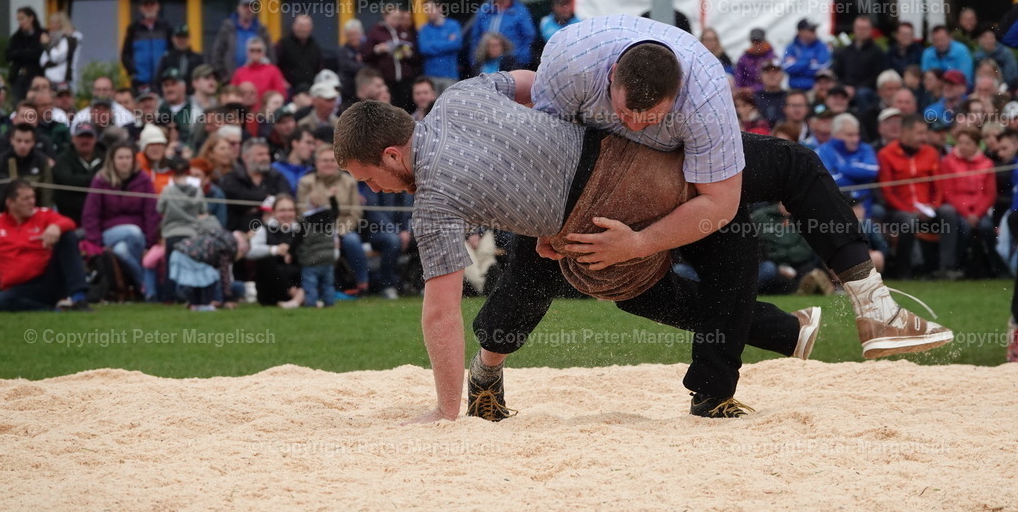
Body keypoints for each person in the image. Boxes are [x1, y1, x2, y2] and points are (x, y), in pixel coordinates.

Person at [334, 81, 820, 421]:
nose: (378, 190)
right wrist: (542, 156)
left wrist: (445, 410)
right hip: (616, 158)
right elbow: (541, 84)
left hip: (599, 199)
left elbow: (441, 314)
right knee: (759, 176)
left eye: (369, 179)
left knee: (631, 284)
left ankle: (820, 313)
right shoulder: (460, 95)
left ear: (392, 155)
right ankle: (802, 322)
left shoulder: (434, 198)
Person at [525, 15, 951, 360]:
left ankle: (872, 307)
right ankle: (488, 361)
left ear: (679, 95)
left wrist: (639, 243)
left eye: (650, 116)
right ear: (612, 75)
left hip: (678, 163)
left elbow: (720, 202)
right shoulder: (567, 59)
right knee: (622, 282)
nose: (635, 125)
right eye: (625, 112)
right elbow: (550, 152)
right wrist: (548, 227)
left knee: (779, 185)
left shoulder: (706, 88)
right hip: (607, 177)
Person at [877, 114, 959, 279]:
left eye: (925, 133)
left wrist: (933, 206)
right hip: (900, 210)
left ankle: (946, 267)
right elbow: (887, 192)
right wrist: (910, 209)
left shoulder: (931, 153)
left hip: (928, 207)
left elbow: (938, 185)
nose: (923, 138)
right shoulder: (886, 154)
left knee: (949, 212)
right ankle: (905, 271)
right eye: (919, 133)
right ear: (905, 132)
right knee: (909, 221)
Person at [0, 180, 90, 311]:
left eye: (33, 197)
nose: (32, 202)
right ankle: (56, 311)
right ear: (10, 202)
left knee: (68, 236)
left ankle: (79, 298)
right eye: (26, 198)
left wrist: (56, 226)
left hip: (48, 280)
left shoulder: (42, 214)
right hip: (18, 288)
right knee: (0, 302)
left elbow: (69, 222)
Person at [82, 143, 159, 291]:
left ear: (133, 160)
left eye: (128, 157)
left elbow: (151, 214)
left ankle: (140, 288)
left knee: (121, 250)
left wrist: (149, 244)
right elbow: (90, 214)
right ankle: (146, 285)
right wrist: (97, 243)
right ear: (112, 160)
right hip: (108, 233)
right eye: (120, 158)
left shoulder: (144, 180)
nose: (124, 161)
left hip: (140, 237)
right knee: (132, 231)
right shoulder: (100, 180)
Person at [297, 143, 365, 296]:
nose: (328, 164)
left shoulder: (349, 182)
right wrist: (327, 234)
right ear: (316, 163)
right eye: (324, 160)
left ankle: (363, 283)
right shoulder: (306, 183)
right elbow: (302, 213)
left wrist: (340, 232)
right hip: (316, 231)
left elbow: (355, 213)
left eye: (332, 160)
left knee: (353, 241)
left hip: (344, 229)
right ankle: (316, 288)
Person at [940, 127, 996, 275]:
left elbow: (990, 194)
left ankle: (994, 267)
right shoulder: (948, 162)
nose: (963, 146)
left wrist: (976, 214)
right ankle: (959, 267)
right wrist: (966, 213)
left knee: (987, 228)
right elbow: (948, 192)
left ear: (977, 145)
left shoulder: (987, 164)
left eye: (968, 143)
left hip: (979, 210)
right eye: (961, 143)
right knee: (963, 228)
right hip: (959, 209)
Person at [169, 215, 247, 310]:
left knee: (199, 281)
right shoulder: (229, 246)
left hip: (180, 252)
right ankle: (204, 305)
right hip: (191, 258)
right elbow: (224, 274)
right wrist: (228, 299)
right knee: (209, 278)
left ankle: (196, 304)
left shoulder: (221, 237)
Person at [219, 137, 292, 231]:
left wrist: (255, 206)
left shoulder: (276, 176)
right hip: (239, 231)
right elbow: (238, 197)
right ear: (246, 157)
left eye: (267, 154)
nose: (265, 158)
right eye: (260, 154)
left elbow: (285, 197)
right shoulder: (233, 178)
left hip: (273, 230)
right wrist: (267, 200)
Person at [245, 193, 303, 307]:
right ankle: (296, 295)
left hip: (297, 279)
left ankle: (299, 296)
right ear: (274, 212)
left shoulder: (302, 230)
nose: (287, 214)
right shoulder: (263, 230)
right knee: (265, 259)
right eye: (282, 210)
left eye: (291, 210)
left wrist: (293, 253)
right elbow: (249, 251)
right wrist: (274, 250)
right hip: (271, 290)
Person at [817, 114, 879, 218]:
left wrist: (841, 168)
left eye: (857, 134)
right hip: (836, 210)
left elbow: (872, 170)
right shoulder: (823, 151)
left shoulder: (865, 148)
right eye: (850, 135)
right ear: (836, 134)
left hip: (866, 207)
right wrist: (860, 178)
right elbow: (829, 181)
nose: (855, 139)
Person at [470, 0, 536, 70]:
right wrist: (476, 60)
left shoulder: (520, 11)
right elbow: (475, 37)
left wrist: (519, 59)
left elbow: (529, 37)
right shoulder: (484, 10)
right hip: (487, 64)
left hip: (511, 63)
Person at [363, 5, 422, 110]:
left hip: (405, 79)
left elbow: (416, 56)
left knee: (406, 108)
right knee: (389, 108)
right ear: (385, 16)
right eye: (394, 18)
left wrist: (408, 54)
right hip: (386, 79)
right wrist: (378, 49)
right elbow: (365, 55)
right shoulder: (375, 31)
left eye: (399, 18)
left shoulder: (405, 32)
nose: (397, 21)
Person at [211, 0, 275, 84]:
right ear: (238, 8)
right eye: (245, 6)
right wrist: (223, 76)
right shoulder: (227, 28)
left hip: (257, 81)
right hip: (231, 79)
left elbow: (270, 55)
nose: (248, 9)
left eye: (252, 6)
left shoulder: (261, 30)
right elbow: (217, 53)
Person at [52, 122, 105, 224]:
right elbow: (67, 180)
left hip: (101, 216)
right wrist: (97, 180)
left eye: (89, 137)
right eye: (81, 136)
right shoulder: (63, 159)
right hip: (69, 216)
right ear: (73, 139)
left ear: (96, 139)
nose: (85, 140)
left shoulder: (106, 158)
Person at [0, 123, 54, 209]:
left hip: (33, 211)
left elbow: (47, 195)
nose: (22, 145)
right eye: (19, 141)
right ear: (12, 140)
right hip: (4, 211)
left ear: (33, 142)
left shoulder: (41, 162)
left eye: (27, 141)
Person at [831, 16, 885, 107]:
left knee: (862, 94)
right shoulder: (845, 51)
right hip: (845, 87)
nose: (861, 31)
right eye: (859, 28)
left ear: (871, 30)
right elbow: (837, 72)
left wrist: (855, 89)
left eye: (864, 28)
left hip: (866, 90)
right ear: (854, 29)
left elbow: (876, 76)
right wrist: (843, 87)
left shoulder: (877, 52)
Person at [121, 0, 172, 90]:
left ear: (157, 6)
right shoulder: (134, 28)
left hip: (162, 80)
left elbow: (172, 51)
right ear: (141, 8)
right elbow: (125, 54)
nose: (149, 7)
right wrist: (133, 72)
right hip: (140, 81)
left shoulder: (166, 27)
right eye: (146, 5)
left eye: (152, 4)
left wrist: (168, 70)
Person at [418, 0, 463, 93]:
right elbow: (424, 49)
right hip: (431, 77)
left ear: (440, 8)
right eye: (426, 10)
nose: (427, 13)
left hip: (450, 75)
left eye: (430, 9)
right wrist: (447, 42)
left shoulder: (453, 25)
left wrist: (433, 44)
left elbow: (456, 44)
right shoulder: (424, 29)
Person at [231, 37, 287, 113]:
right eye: (252, 50)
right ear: (247, 52)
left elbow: (281, 93)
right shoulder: (239, 72)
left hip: (267, 113)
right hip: (245, 112)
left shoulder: (273, 70)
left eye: (258, 50)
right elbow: (233, 94)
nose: (255, 52)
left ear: (264, 52)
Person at [275, 15, 323, 92]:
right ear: (294, 26)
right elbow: (275, 65)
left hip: (311, 90)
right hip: (289, 90)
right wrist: (282, 81)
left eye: (306, 26)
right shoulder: (283, 44)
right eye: (301, 26)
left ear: (311, 28)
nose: (303, 29)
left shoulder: (315, 46)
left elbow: (319, 68)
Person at [6, 7, 44, 103]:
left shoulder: (41, 35)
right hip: (18, 78)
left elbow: (38, 53)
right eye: (18, 19)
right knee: (18, 104)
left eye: (22, 19)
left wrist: (20, 54)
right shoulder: (16, 37)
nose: (20, 22)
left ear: (31, 18)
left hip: (35, 77)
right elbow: (8, 54)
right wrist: (26, 53)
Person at [783, 18, 832, 91]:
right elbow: (787, 67)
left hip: (815, 90)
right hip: (793, 89)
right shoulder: (791, 47)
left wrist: (797, 62)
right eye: (811, 30)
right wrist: (808, 61)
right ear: (800, 31)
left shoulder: (822, 46)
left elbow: (823, 66)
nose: (814, 32)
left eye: (814, 30)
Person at [154, 24, 204, 93]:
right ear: (173, 39)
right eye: (178, 37)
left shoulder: (198, 58)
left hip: (192, 96)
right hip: (171, 96)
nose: (181, 40)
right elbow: (158, 80)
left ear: (189, 38)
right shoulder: (166, 57)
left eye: (184, 37)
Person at [40, 12, 82, 91]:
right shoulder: (54, 39)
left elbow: (57, 57)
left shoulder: (70, 39)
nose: (50, 26)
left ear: (60, 24)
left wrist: (47, 45)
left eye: (52, 23)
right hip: (50, 80)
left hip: (62, 80)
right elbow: (43, 60)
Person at [156, 68, 196, 145]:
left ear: (183, 87)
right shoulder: (157, 109)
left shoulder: (195, 108)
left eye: (173, 84)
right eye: (166, 85)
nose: (170, 89)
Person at [273, 126, 315, 191]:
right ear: (295, 143)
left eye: (313, 144)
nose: (312, 148)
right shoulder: (275, 169)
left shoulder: (312, 172)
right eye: (308, 142)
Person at [136, 124, 173, 194]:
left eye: (159, 144)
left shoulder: (172, 165)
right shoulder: (136, 167)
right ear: (144, 148)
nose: (156, 148)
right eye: (152, 144)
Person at [337, 19, 366, 106]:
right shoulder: (342, 51)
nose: (353, 38)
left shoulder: (367, 49)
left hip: (365, 87)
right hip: (349, 89)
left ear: (361, 34)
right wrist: (362, 66)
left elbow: (373, 65)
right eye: (350, 35)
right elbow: (347, 66)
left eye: (355, 34)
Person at [754, 58, 787, 126]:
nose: (771, 75)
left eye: (776, 71)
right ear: (761, 76)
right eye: (767, 72)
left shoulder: (790, 98)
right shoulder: (753, 98)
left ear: (782, 75)